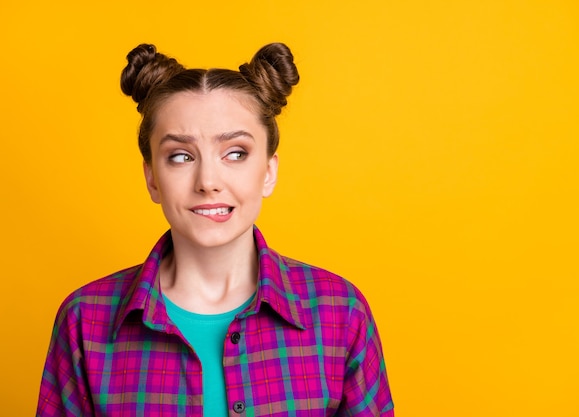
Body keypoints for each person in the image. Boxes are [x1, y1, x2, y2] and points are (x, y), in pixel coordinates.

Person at [37, 42, 394, 417]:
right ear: (152, 179)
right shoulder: (84, 320)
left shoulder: (340, 312)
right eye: (180, 156)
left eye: (235, 153)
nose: (208, 181)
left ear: (269, 172)